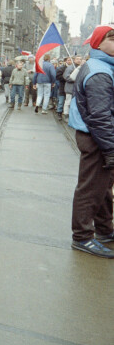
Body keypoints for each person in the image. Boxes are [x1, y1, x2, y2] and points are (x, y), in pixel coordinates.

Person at [67, 25, 114, 258]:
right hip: (97, 138)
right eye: (112, 39)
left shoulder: (101, 66)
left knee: (103, 187)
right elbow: (101, 116)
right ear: (97, 44)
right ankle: (82, 237)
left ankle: (105, 229)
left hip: (98, 136)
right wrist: (110, 148)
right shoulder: (100, 71)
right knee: (91, 189)